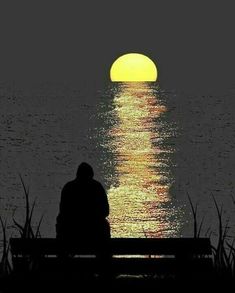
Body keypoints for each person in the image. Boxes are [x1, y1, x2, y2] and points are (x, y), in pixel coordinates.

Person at [56, 162, 110, 245]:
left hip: (70, 233)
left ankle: (63, 256)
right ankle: (103, 257)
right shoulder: (97, 187)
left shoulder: (69, 187)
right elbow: (106, 211)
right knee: (104, 225)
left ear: (77, 174)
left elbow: (63, 211)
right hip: (95, 233)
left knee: (62, 223)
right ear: (91, 175)